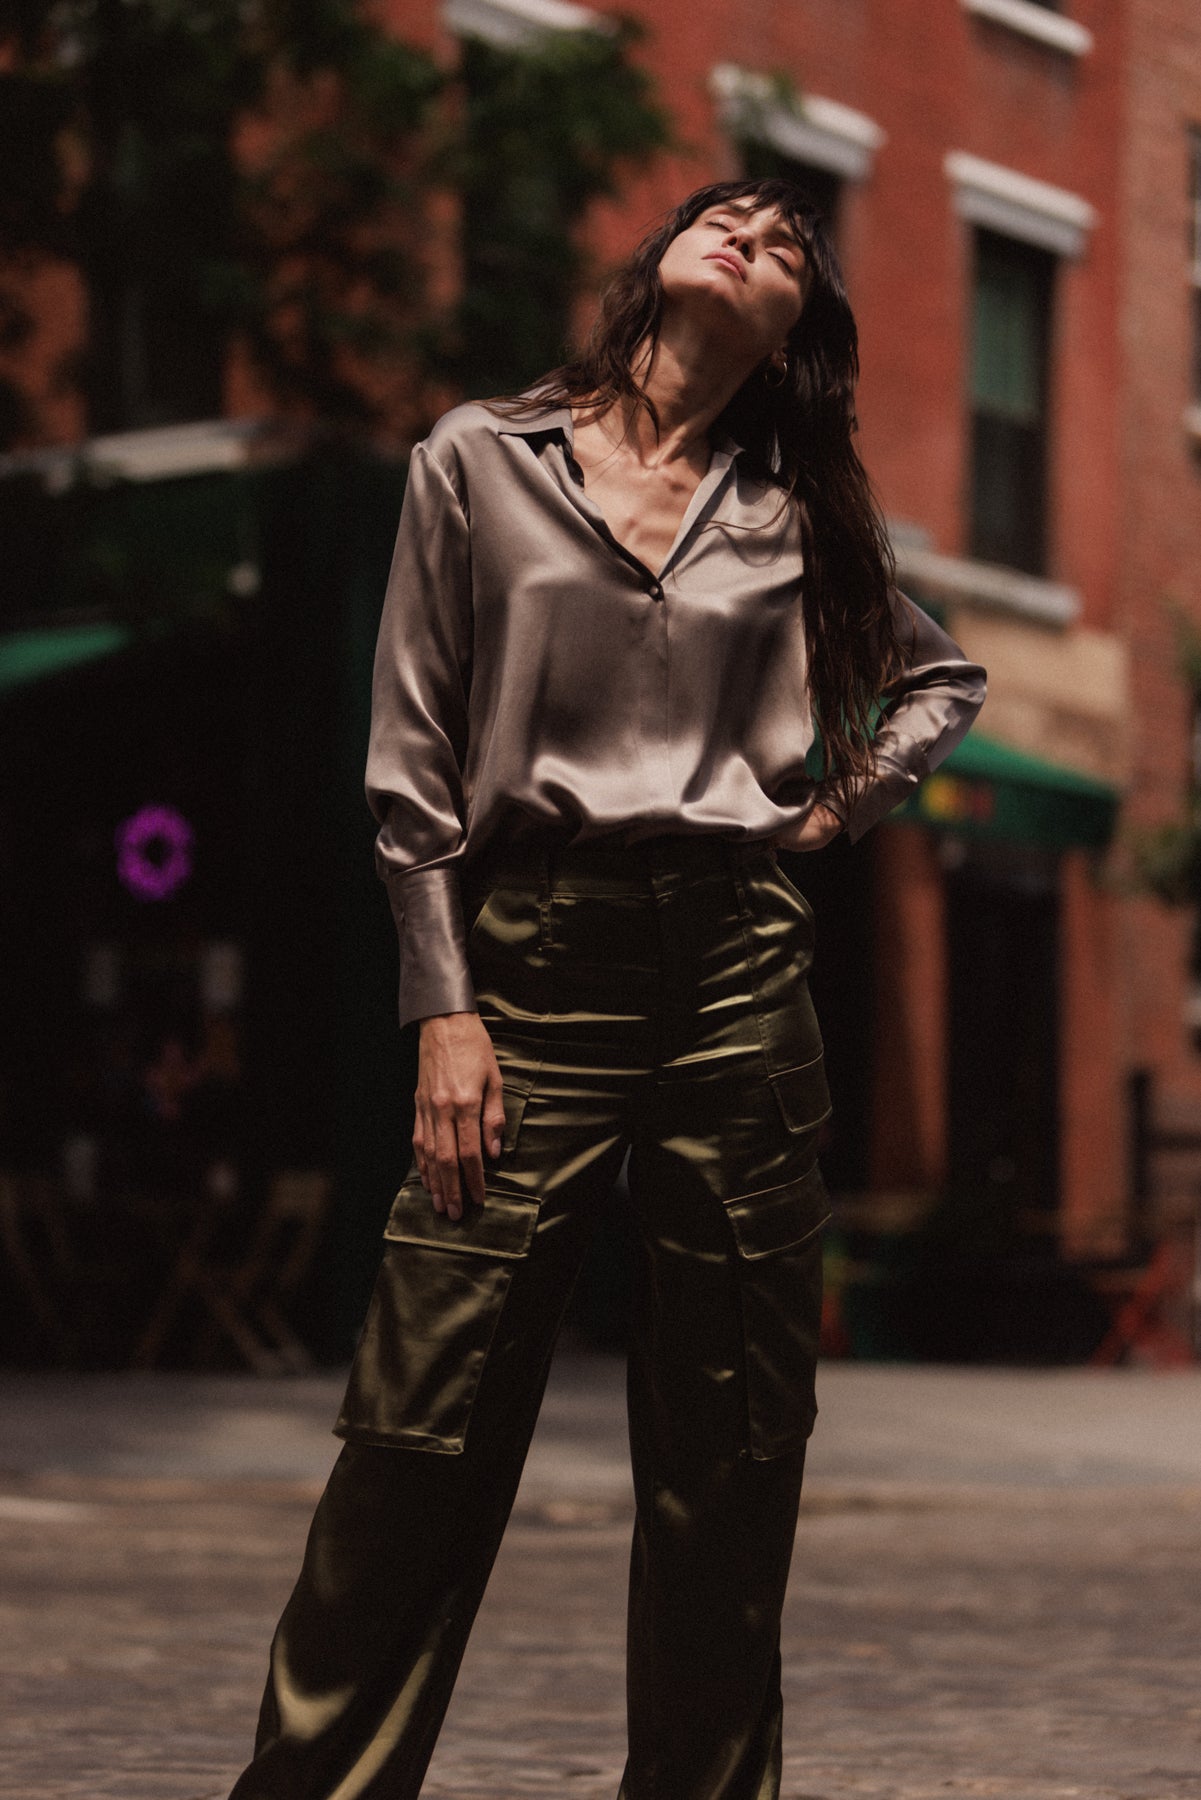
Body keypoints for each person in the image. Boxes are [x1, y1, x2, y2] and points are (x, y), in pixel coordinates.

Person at [227, 176, 986, 1800]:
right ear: (654, 262)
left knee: (731, 1456)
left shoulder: (792, 511)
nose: (758, 241)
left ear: (794, 332)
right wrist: (442, 1004)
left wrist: (842, 797)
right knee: (416, 1435)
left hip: (736, 975)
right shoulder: (478, 460)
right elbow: (411, 764)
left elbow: (940, 677)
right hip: (528, 966)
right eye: (732, 219)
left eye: (791, 249)